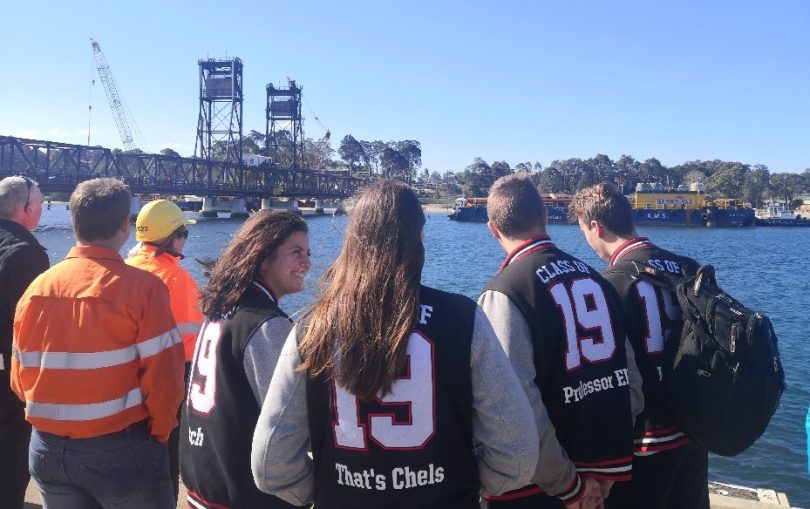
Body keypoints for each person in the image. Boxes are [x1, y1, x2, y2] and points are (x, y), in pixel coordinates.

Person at [252, 180, 539, 509]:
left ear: (354, 239)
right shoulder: (463, 319)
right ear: (419, 235)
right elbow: (518, 454)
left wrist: (325, 491)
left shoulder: (310, 327)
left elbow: (271, 467)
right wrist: (465, 483)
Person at [10, 177, 185, 508]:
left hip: (47, 447)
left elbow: (20, 379)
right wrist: (161, 431)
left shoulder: (36, 290)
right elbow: (164, 377)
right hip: (122, 448)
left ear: (75, 223)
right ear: (124, 225)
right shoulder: (144, 289)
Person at [479, 174, 641, 509]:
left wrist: (568, 484)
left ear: (493, 229)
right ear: (546, 216)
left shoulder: (505, 292)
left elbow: (513, 405)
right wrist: (607, 472)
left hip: (542, 488)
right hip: (598, 474)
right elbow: (630, 381)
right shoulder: (597, 279)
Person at [568, 182, 708, 509]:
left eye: (584, 232)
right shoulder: (690, 269)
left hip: (645, 443)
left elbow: (607, 379)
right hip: (694, 433)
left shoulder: (605, 284)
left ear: (596, 226)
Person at [181, 210, 312, 509]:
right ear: (263, 257)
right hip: (243, 494)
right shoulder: (268, 325)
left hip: (203, 484)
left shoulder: (219, 310)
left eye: (307, 252)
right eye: (296, 252)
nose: (307, 262)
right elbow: (288, 424)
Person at [126, 198, 203, 502]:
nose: (185, 240)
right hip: (168, 383)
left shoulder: (125, 267)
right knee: (166, 463)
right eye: (184, 233)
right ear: (173, 238)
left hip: (125, 383)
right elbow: (190, 346)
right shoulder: (178, 280)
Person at [0, 176, 49, 509]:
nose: (42, 210)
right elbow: (33, 329)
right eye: (41, 204)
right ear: (27, 208)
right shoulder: (26, 254)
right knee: (11, 461)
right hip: (9, 380)